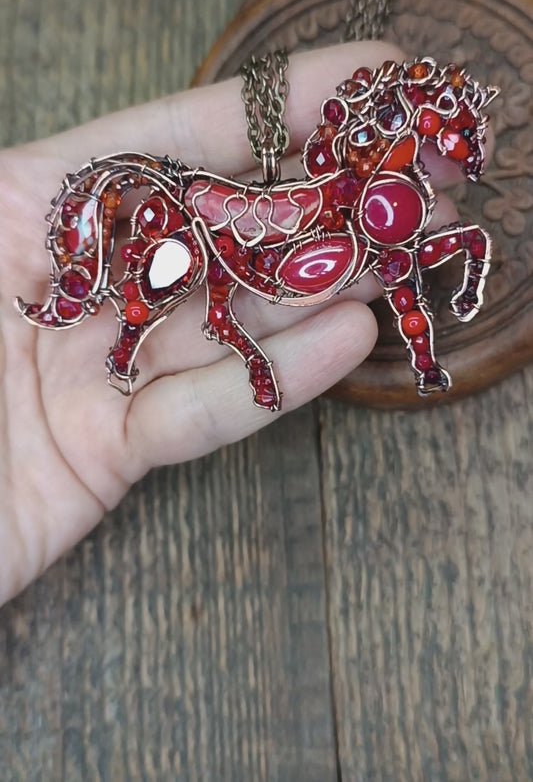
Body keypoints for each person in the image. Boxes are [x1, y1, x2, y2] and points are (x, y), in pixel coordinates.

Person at [0, 40, 490, 605]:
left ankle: (409, 359)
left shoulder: (370, 187)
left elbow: (399, 260)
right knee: (188, 273)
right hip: (252, 229)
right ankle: (126, 344)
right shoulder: (349, 194)